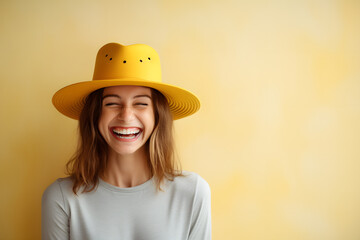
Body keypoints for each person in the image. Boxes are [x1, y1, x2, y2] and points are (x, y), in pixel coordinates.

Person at [41, 43, 211, 240]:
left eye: (141, 103)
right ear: (95, 114)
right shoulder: (61, 198)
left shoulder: (193, 193)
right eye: (112, 103)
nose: (126, 115)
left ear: (158, 115)